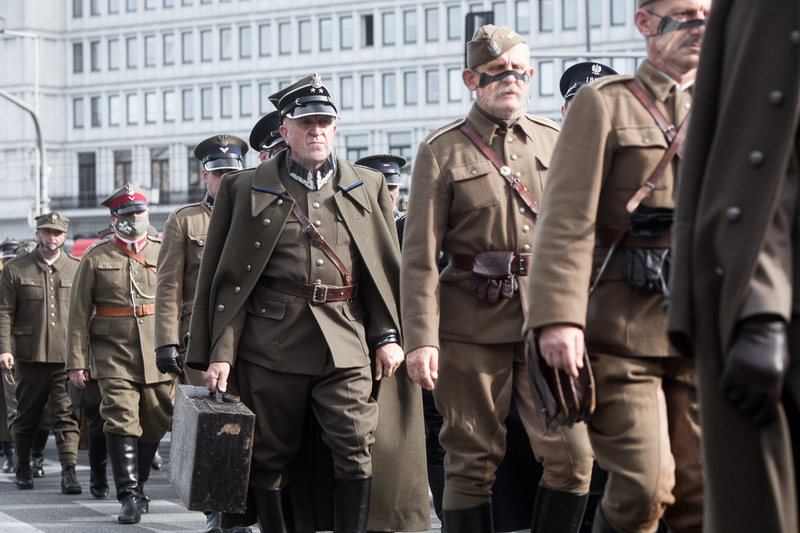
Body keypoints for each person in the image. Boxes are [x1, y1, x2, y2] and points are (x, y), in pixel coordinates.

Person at [186, 74, 429, 533]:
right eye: (306, 122)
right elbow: (227, 282)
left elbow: (379, 269)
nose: (317, 130)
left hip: (347, 338)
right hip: (269, 344)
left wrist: (389, 334)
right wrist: (220, 353)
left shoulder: (366, 184)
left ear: (335, 129)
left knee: (357, 441)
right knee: (270, 452)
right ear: (285, 130)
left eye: (325, 122)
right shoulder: (243, 188)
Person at [522, 0, 709, 531]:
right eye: (683, 12)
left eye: (706, 12)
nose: (698, 24)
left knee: (700, 497)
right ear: (646, 23)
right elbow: (565, 219)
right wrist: (557, 318)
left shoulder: (725, 104)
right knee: (645, 489)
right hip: (622, 334)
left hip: (699, 331)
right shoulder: (605, 104)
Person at [401, 24, 595, 533]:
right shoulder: (440, 150)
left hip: (546, 324)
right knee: (470, 461)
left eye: (519, 71)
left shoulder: (556, 140)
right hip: (469, 328)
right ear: (472, 79)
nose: (511, 79)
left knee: (575, 458)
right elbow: (419, 256)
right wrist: (421, 340)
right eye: (497, 72)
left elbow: (577, 237)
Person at [667, 1, 800, 531]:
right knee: (643, 481)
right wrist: (760, 307)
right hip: (629, 319)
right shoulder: (604, 107)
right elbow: (761, 156)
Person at [155, 133, 252, 533]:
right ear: (205, 176)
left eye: (232, 172)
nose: (225, 178)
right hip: (200, 337)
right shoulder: (185, 220)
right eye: (218, 173)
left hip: (252, 334)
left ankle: (247, 508)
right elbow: (167, 287)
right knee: (215, 425)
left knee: (254, 423)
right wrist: (165, 342)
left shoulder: (257, 213)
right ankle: (219, 511)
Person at [66, 184, 173, 525]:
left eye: (139, 214)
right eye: (126, 215)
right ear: (114, 219)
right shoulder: (96, 257)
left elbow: (179, 303)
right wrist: (76, 361)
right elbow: (78, 313)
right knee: (120, 415)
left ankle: (139, 486)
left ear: (147, 216)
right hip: (112, 352)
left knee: (156, 419)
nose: (134, 220)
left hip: (157, 350)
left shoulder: (163, 251)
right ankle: (128, 495)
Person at [0, 212, 81, 494]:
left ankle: (69, 472)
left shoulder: (76, 268)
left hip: (65, 357)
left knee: (65, 416)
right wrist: (4, 350)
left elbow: (84, 315)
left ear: (64, 236)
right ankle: (23, 465)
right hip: (29, 356)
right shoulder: (16, 269)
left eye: (57, 233)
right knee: (26, 416)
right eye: (46, 232)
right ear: (37, 234)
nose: (51, 237)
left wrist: (83, 355)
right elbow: (4, 312)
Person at [354, 154, 405, 219]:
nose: (386, 194)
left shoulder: (406, 224)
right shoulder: (357, 222)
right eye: (380, 187)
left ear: (398, 191)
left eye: (391, 187)